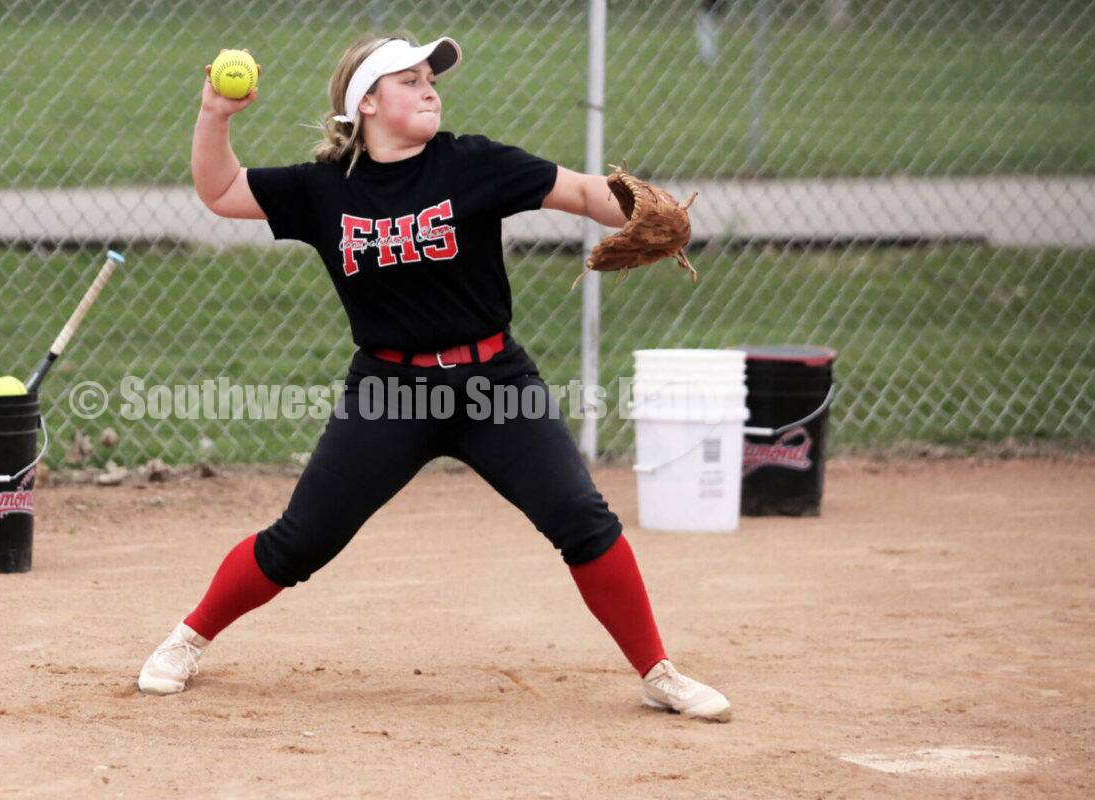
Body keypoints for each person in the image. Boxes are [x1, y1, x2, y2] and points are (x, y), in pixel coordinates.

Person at [138, 33, 731, 722]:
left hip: (495, 384)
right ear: (365, 103)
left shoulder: (471, 163)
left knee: (581, 518)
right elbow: (220, 191)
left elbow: (577, 190)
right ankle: (187, 639)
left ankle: (658, 672)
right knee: (301, 541)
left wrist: (642, 209)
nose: (429, 90)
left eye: (431, 80)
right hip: (390, 392)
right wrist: (215, 114)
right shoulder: (324, 189)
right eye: (410, 80)